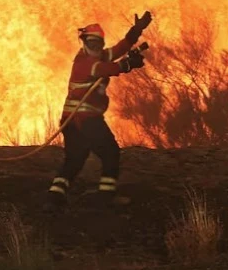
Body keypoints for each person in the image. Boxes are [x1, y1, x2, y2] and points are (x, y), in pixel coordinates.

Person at [47, 11, 152, 209]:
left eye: (99, 44)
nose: (96, 48)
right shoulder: (84, 63)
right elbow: (106, 69)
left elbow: (121, 48)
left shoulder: (100, 56)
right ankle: (106, 196)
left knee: (75, 159)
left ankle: (55, 196)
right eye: (92, 44)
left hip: (71, 122)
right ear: (84, 42)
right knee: (111, 152)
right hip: (86, 120)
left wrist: (137, 30)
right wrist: (127, 64)